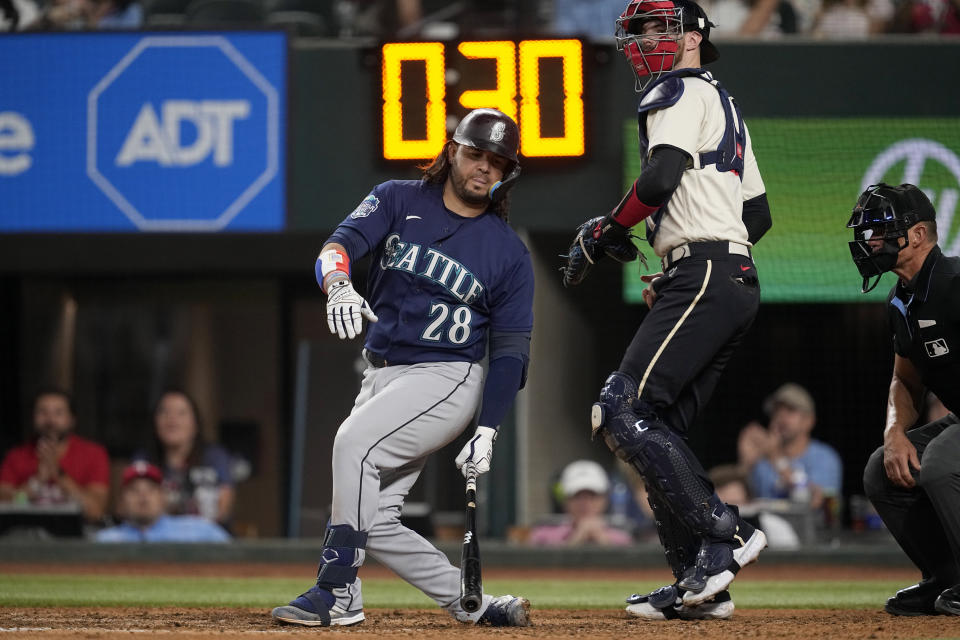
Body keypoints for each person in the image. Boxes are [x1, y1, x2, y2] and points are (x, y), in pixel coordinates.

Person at [270, 108, 534, 628]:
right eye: (476, 153)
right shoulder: (398, 198)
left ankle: (337, 591)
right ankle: (472, 603)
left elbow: (510, 351)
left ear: (508, 173)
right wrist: (339, 283)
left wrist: (488, 428)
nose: (484, 168)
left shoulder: (509, 252)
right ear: (452, 151)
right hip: (381, 374)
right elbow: (336, 246)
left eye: (497, 162)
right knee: (371, 514)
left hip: (446, 376)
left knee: (352, 445)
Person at [561, 0, 773, 622]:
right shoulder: (721, 100)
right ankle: (697, 585)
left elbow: (658, 181)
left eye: (660, 27)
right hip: (723, 274)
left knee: (619, 407)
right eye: (642, 29)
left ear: (692, 38)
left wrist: (609, 226)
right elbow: (755, 215)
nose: (646, 39)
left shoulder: (678, 88)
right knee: (659, 430)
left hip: (707, 273)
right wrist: (688, 258)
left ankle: (726, 533)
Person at [852, 183, 960, 617]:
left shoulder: (954, 284)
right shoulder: (900, 300)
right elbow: (905, 379)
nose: (869, 241)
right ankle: (948, 580)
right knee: (883, 467)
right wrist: (895, 430)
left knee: (939, 464)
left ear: (917, 235)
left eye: (879, 229)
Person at [0, 388, 109, 523]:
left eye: (58, 413)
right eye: (43, 412)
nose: (50, 420)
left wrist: (58, 473)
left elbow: (95, 512)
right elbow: (7, 506)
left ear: (71, 420)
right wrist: (37, 481)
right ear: (33, 417)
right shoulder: (16, 456)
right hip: (26, 535)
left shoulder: (93, 454)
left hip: (76, 539)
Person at [133, 389, 235, 528]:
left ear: (195, 424)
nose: (172, 419)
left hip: (206, 540)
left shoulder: (214, 457)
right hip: (155, 542)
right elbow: (133, 507)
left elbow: (223, 507)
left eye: (181, 413)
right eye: (164, 412)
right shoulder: (144, 459)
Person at [738, 383, 842, 509]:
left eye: (790, 410)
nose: (781, 416)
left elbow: (816, 502)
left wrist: (776, 458)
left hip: (809, 528)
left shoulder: (825, 458)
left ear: (809, 421)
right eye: (776, 410)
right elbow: (743, 503)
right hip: (767, 527)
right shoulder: (762, 460)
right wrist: (746, 462)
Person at [96, 461, 231, 543]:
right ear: (122, 500)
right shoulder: (106, 540)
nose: (143, 496)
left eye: (150, 489)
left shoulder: (199, 530)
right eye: (134, 490)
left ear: (163, 497)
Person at [529, 460, 633, 547]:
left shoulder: (623, 538)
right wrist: (576, 539)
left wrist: (602, 540)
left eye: (592, 495)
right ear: (565, 500)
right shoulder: (543, 536)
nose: (585, 503)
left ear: (604, 499)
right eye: (577, 496)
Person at [709, 464, 800, 550]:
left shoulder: (773, 525)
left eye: (736, 503)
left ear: (748, 501)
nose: (730, 512)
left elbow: (791, 560)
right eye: (722, 505)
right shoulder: (701, 530)